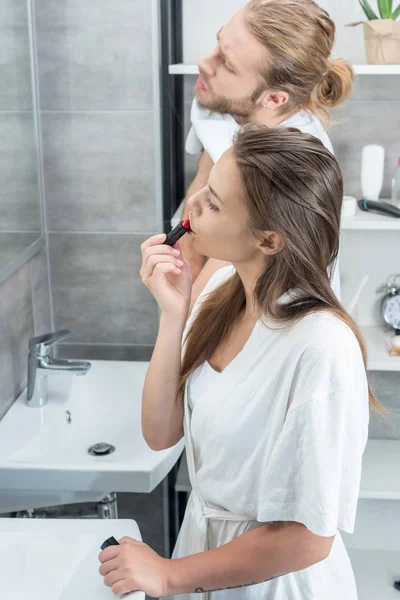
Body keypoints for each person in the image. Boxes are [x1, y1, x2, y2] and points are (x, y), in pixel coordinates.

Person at [98, 125, 387, 599]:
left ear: (269, 239)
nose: (192, 208)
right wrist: (173, 316)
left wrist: (168, 575)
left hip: (277, 584)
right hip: (205, 559)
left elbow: (309, 538)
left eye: (213, 203)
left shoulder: (321, 348)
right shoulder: (220, 290)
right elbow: (159, 432)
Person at [180, 0, 354, 309]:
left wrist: (175, 319)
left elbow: (202, 302)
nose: (204, 63)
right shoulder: (234, 109)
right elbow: (203, 182)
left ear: (274, 98)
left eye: (227, 64)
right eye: (218, 43)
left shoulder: (283, 171)